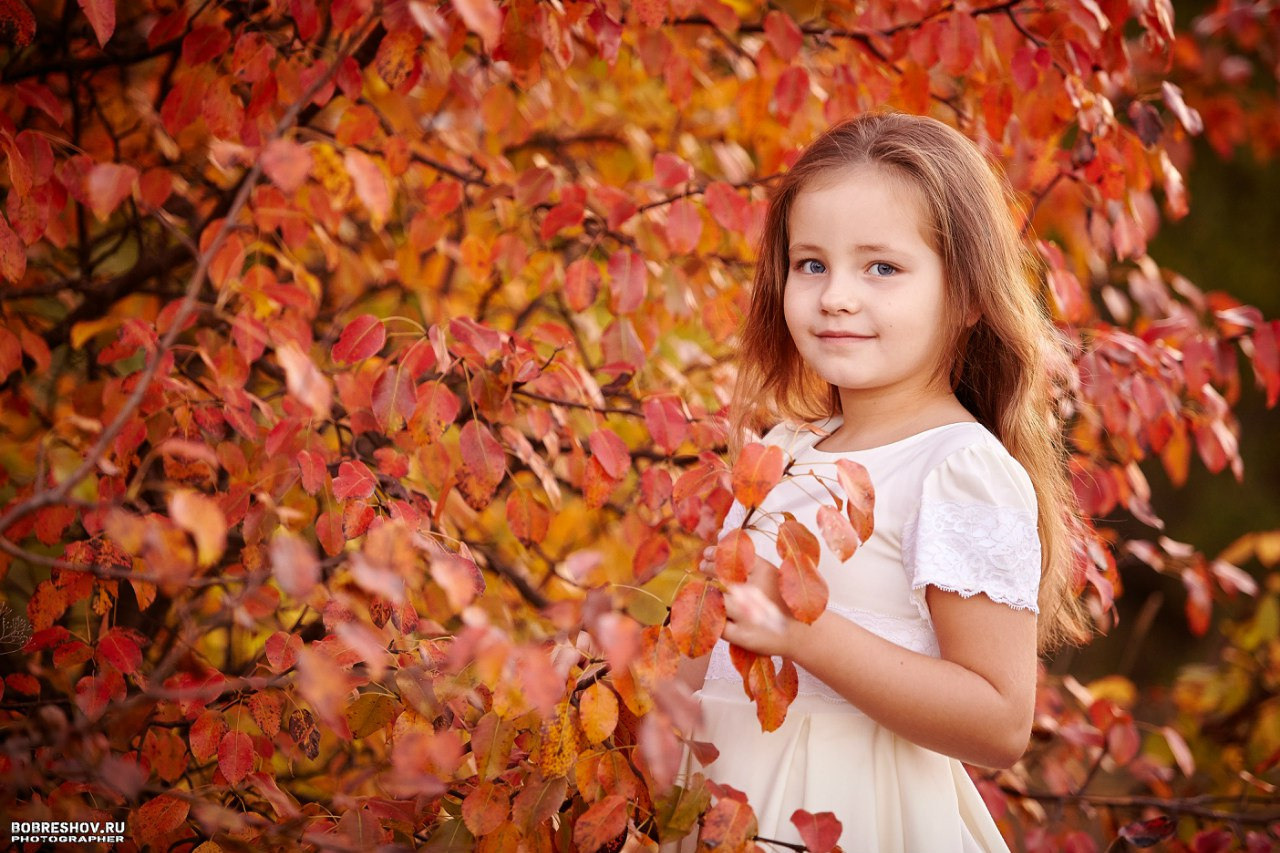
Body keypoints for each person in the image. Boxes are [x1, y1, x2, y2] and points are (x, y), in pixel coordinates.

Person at [672, 112, 1092, 852]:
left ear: (966, 298)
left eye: (881, 268)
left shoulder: (957, 467)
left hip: (853, 817)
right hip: (723, 808)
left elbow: (998, 721)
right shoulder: (786, 448)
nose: (835, 296)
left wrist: (802, 632)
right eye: (812, 264)